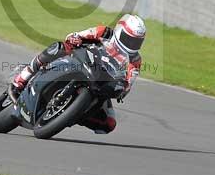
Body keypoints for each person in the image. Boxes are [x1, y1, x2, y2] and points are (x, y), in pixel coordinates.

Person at [9, 14, 146, 134]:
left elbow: (128, 83)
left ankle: (74, 115)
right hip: (80, 62)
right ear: (119, 30)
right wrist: (76, 38)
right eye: (129, 38)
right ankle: (22, 78)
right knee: (58, 48)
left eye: (136, 41)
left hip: (101, 83)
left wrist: (121, 90)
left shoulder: (135, 60)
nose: (132, 44)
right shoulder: (104, 32)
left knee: (109, 124)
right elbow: (77, 35)